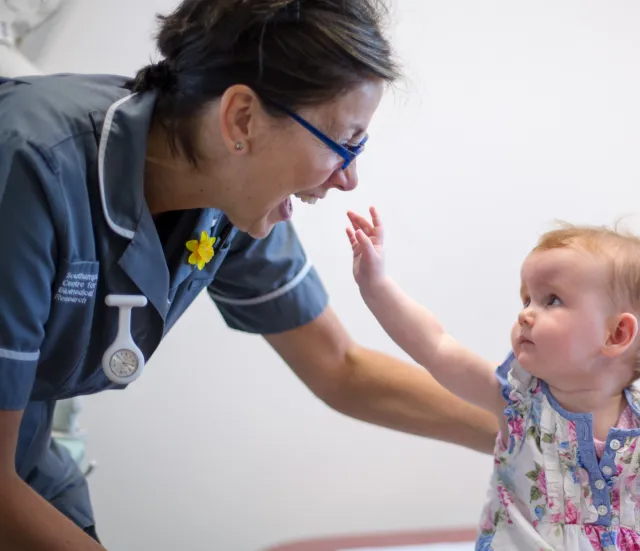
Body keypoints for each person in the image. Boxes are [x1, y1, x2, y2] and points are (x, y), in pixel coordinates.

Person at [0, 1, 500, 548]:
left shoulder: (228, 197)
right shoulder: (29, 165)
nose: (349, 178)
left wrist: (538, 434)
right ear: (242, 118)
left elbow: (339, 367)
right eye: (343, 143)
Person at [345, 207, 640, 550]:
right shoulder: (517, 402)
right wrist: (375, 285)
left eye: (551, 300)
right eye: (527, 298)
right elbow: (435, 346)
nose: (525, 313)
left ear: (616, 334)